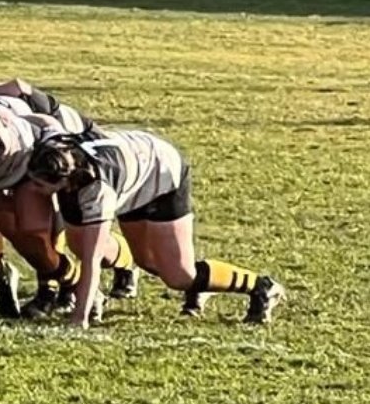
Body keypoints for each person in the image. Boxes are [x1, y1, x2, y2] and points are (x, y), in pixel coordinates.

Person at [24, 130, 285, 327]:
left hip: (161, 174)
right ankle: (150, 274)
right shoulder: (56, 149)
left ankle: (262, 286)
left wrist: (79, 318)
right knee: (139, 259)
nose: (33, 190)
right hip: (131, 172)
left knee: (179, 276)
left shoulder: (96, 190)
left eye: (39, 185)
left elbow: (92, 260)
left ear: (64, 180)